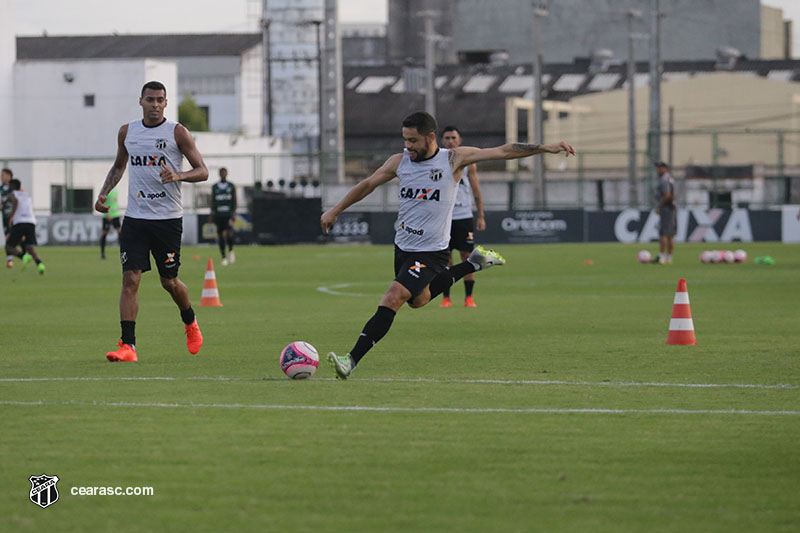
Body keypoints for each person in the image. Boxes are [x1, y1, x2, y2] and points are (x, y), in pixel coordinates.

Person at [321, 111, 575, 379]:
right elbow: (368, 184)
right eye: (405, 139)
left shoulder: (453, 159)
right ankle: (473, 263)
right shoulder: (399, 162)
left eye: (413, 140)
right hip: (403, 248)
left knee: (394, 296)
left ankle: (350, 360)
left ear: (430, 137)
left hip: (432, 251)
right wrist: (336, 210)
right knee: (418, 301)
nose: (407, 146)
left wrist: (545, 148)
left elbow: (503, 151)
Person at [95, 81, 209, 363]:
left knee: (169, 282)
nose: (155, 104)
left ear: (166, 103)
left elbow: (203, 171)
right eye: (150, 100)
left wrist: (178, 176)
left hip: (167, 221)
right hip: (135, 218)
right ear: (141, 102)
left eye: (160, 100)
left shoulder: (177, 132)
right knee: (130, 279)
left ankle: (190, 322)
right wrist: (104, 193)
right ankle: (128, 346)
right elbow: (119, 165)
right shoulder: (127, 132)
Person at [438, 126, 485, 308]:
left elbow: (476, 190)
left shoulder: (468, 162)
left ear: (460, 140)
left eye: (453, 138)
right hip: (445, 217)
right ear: (442, 141)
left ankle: (468, 297)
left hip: (464, 216)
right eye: (447, 138)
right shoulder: (438, 161)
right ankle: (446, 297)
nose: (450, 141)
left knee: (466, 255)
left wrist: (480, 215)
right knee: (446, 258)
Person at [5, 178, 45, 274]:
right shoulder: (27, 195)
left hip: (20, 222)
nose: (8, 187)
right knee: (30, 247)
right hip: (31, 223)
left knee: (9, 247)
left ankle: (23, 256)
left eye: (9, 185)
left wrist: (12, 216)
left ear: (13, 186)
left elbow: (15, 201)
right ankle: (40, 264)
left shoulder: (12, 194)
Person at [210, 167, 237, 265]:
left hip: (228, 214)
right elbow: (212, 201)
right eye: (221, 173)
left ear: (227, 174)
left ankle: (230, 250)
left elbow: (234, 201)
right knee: (220, 235)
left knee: (229, 233)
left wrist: (234, 213)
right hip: (218, 214)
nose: (223, 175)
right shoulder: (215, 187)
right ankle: (223, 257)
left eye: (224, 173)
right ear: (219, 174)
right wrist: (211, 214)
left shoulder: (231, 186)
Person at [653, 161, 676, 264]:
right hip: (671, 208)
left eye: (659, 168)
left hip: (666, 208)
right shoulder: (670, 178)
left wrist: (660, 206)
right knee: (670, 234)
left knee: (664, 233)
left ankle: (662, 257)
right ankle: (668, 257)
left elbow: (667, 195)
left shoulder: (664, 180)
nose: (657, 170)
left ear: (665, 168)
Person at [99, 186, 121, 259]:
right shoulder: (105, 190)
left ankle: (123, 252)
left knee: (120, 233)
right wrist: (106, 214)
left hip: (115, 215)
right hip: (107, 216)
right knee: (105, 233)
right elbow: (103, 203)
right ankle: (102, 253)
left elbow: (114, 203)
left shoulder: (116, 190)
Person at [2, 168, 13, 243]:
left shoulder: (15, 187)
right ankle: (10, 255)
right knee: (7, 236)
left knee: (19, 236)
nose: (1, 177)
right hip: (4, 216)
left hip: (14, 216)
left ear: (9, 176)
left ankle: (24, 253)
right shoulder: (1, 188)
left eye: (2, 175)